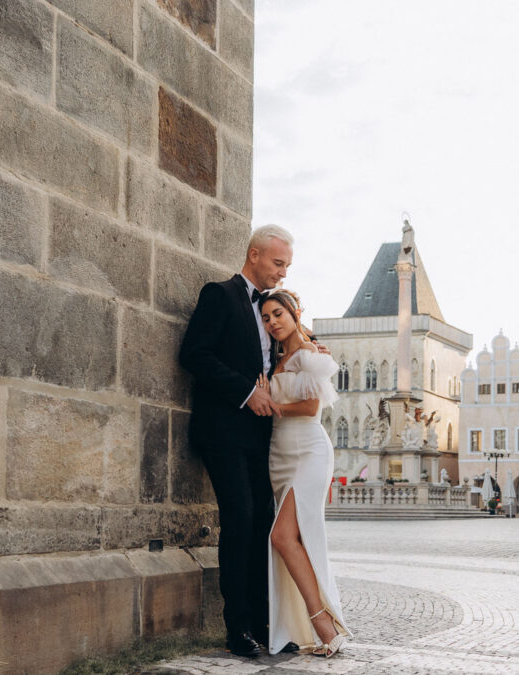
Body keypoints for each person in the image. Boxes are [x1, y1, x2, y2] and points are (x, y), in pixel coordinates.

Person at [178, 225, 296, 658]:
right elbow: (193, 355)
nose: (282, 273)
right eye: (277, 263)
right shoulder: (219, 294)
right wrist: (248, 393)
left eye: (286, 266)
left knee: (264, 525)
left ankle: (266, 624)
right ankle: (237, 628)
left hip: (263, 437)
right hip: (223, 432)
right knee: (241, 519)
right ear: (254, 255)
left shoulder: (273, 309)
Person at [257, 288, 351, 657]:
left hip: (309, 450)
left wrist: (272, 404)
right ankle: (311, 625)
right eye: (266, 318)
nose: (272, 322)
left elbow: (311, 407)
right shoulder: (274, 359)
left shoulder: (311, 354)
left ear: (295, 312)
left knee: (282, 536)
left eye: (277, 313)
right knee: (289, 539)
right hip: (279, 453)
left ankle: (323, 623)